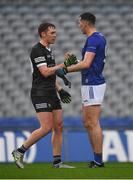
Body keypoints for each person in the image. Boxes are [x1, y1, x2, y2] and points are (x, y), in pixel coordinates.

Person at [12, 22, 74, 169]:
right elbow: (45, 72)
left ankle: (57, 162)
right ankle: (19, 151)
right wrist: (63, 64)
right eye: (52, 32)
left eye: (55, 32)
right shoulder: (37, 50)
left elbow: (50, 75)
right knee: (46, 127)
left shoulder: (48, 50)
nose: (55, 35)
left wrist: (60, 89)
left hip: (51, 92)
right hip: (40, 93)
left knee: (58, 126)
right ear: (43, 34)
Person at [56, 12, 107, 168]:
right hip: (89, 83)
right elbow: (86, 63)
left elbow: (86, 65)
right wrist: (75, 61)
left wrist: (66, 69)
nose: (78, 26)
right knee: (86, 122)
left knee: (92, 122)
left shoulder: (94, 39)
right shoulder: (98, 38)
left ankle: (98, 161)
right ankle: (96, 159)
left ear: (85, 23)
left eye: (79, 23)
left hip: (93, 83)